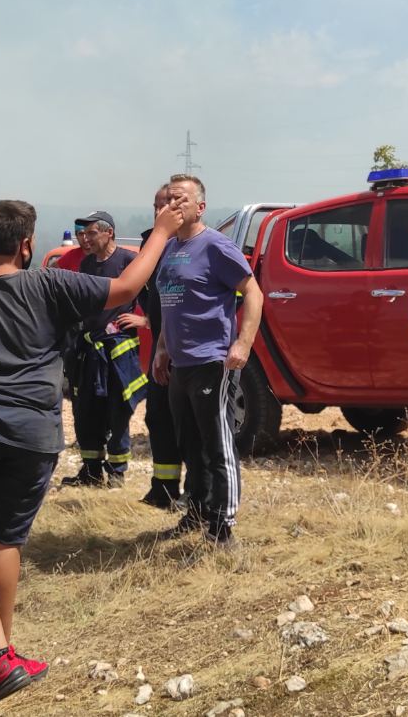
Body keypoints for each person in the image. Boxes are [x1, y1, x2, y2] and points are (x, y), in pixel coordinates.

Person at [0, 197, 184, 710]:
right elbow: (125, 289)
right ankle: (3, 655)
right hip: (35, 434)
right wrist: (162, 233)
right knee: (4, 538)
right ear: (27, 243)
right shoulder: (52, 283)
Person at [152, 174, 264, 546]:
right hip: (180, 363)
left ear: (201, 207)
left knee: (217, 444)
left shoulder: (216, 246)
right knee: (189, 445)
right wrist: (162, 348)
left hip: (211, 361)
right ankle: (197, 511)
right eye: (169, 198)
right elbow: (171, 304)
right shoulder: (169, 249)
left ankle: (222, 524)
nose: (174, 204)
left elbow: (253, 293)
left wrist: (243, 344)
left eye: (182, 198)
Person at [62, 211, 147, 487]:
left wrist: (145, 320)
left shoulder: (128, 261)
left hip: (118, 351)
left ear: (108, 232)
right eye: (82, 234)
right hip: (88, 351)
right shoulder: (86, 264)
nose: (85, 239)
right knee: (87, 411)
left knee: (118, 411)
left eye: (91, 234)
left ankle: (117, 472)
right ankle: (91, 471)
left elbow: (155, 297)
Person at [136, 185, 183, 509]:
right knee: (158, 416)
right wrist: (151, 319)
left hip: (190, 350)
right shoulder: (150, 242)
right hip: (160, 348)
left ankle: (197, 493)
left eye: (164, 205)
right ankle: (163, 488)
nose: (158, 212)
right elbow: (143, 288)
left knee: (189, 422)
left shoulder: (195, 243)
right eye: (155, 206)